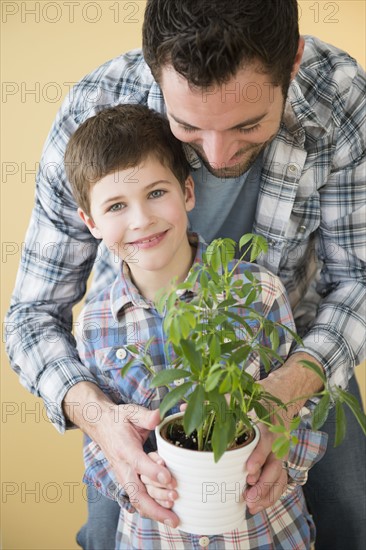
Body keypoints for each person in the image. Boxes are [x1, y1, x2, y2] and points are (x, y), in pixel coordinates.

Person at [4, 1, 365, 549]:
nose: (217, 154)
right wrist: (101, 420)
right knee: (108, 534)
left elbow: (357, 281)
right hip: (135, 378)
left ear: (291, 63)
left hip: (298, 348)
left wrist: (286, 398)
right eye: (187, 127)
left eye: (248, 125)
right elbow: (31, 316)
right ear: (154, 70)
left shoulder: (339, 97)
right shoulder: (95, 111)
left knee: (351, 515)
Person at [65, 102, 327, 549]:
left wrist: (283, 461)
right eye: (115, 205)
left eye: (155, 193)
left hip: (264, 532)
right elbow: (100, 437)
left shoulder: (258, 292)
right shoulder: (93, 321)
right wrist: (138, 481)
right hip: (155, 535)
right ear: (90, 222)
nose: (142, 219)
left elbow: (298, 408)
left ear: (187, 192)